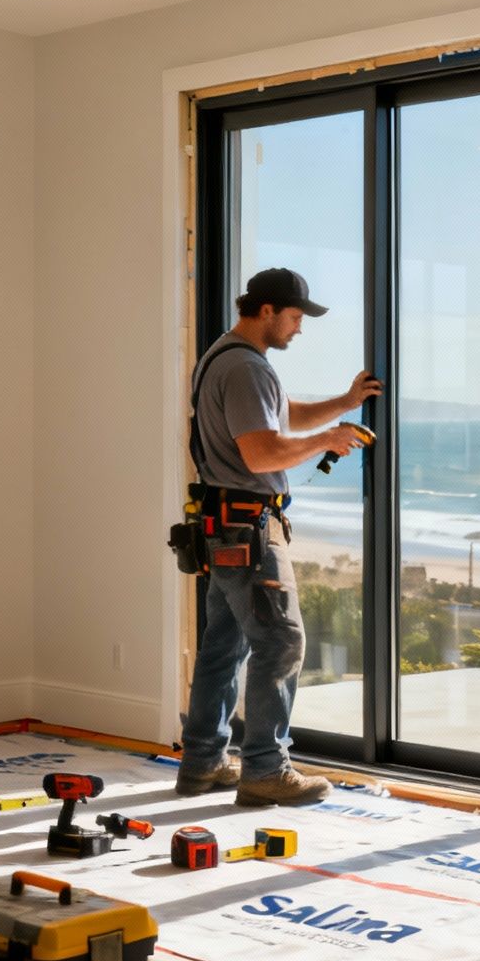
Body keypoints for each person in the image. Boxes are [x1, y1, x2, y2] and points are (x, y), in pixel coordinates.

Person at [175, 267, 382, 806]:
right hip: (247, 529)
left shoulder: (224, 356)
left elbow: (283, 417)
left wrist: (342, 403)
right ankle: (266, 768)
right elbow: (263, 452)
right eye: (295, 317)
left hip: (224, 527)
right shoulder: (246, 368)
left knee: (224, 647)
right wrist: (328, 441)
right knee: (282, 641)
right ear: (266, 311)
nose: (299, 328)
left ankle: (202, 763)